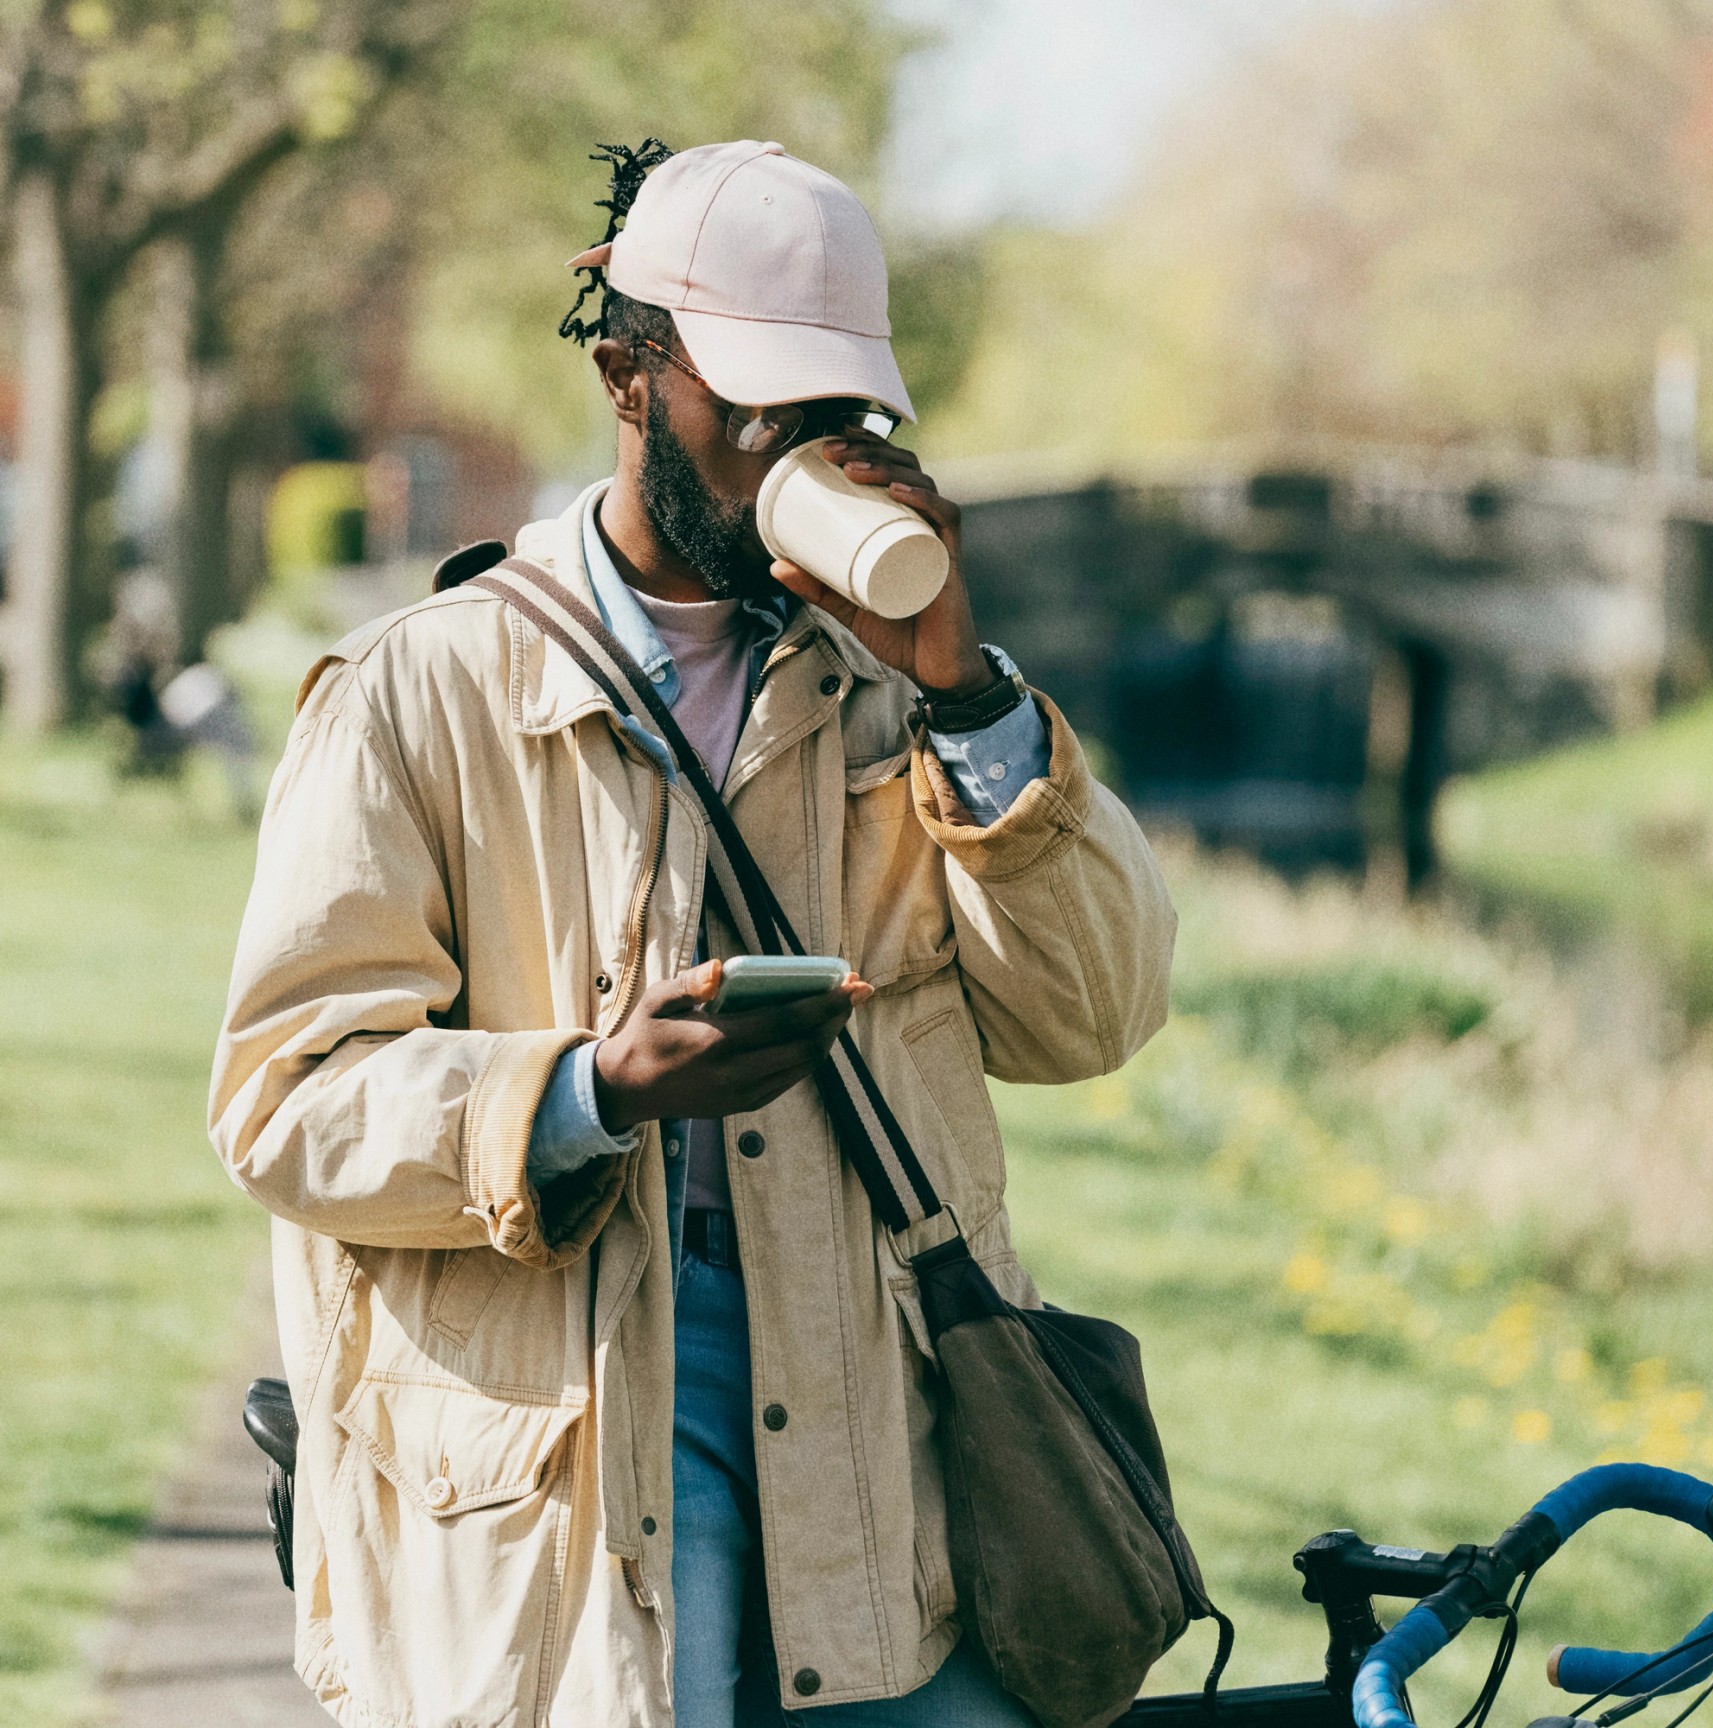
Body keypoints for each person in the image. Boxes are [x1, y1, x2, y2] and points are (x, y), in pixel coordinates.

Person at [209, 138, 1177, 1728]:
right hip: (558, 1538)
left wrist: (967, 694)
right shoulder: (417, 696)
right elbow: (286, 1100)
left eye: (833, 419)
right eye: (753, 412)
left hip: (880, 1530)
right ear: (630, 372)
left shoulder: (893, 695)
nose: (790, 453)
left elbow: (1093, 1018)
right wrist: (585, 1090)